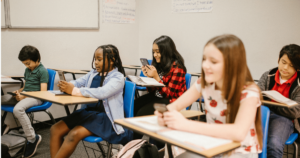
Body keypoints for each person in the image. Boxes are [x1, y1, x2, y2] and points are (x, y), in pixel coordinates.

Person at [155, 34, 263, 158]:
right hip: (213, 144)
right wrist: (166, 114)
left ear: (232, 64)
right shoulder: (204, 83)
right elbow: (176, 105)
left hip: (240, 151)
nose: (205, 65)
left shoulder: (249, 92)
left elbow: (238, 133)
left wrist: (185, 124)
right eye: (204, 59)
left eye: (213, 61)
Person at [50, 45, 131, 158]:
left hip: (106, 118)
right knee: (55, 129)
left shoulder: (118, 78)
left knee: (73, 134)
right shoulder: (93, 73)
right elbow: (78, 82)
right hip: (89, 113)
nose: (96, 62)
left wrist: (74, 91)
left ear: (112, 60)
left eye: (99, 59)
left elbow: (102, 92)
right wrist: (68, 85)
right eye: (95, 59)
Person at [133, 35, 187, 142]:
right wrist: (149, 78)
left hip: (171, 100)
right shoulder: (159, 64)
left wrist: (156, 77)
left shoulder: (177, 68)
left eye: (158, 52)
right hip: (158, 96)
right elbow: (154, 90)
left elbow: (169, 94)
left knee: (141, 113)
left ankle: (134, 145)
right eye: (153, 52)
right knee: (134, 105)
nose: (155, 55)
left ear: (166, 51)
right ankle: (133, 142)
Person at [1, 45, 49, 158]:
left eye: (28, 63)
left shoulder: (42, 71)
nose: (27, 66)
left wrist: (25, 96)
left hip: (37, 98)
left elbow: (43, 93)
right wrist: (18, 92)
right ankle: (3, 126)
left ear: (37, 59)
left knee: (18, 109)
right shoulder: (27, 70)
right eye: (24, 64)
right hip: (25, 95)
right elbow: (26, 87)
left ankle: (32, 138)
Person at [257, 44, 300, 158]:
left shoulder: (299, 84)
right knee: (247, 138)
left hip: (284, 119)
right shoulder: (268, 75)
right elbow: (256, 97)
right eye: (283, 62)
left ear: (298, 68)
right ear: (278, 60)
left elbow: (296, 111)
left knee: (274, 144)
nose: (285, 68)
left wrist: (272, 106)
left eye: (291, 65)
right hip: (262, 114)